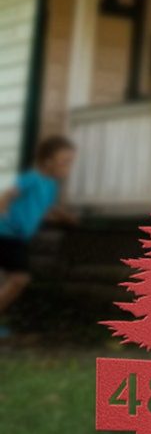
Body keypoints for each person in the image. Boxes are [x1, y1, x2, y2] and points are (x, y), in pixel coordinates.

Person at [0, 136, 77, 331]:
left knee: (16, 279)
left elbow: (47, 208)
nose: (68, 168)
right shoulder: (32, 178)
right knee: (19, 279)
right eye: (65, 162)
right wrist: (2, 209)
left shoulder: (51, 186)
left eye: (70, 162)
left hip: (17, 238)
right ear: (48, 161)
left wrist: (67, 218)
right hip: (6, 233)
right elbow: (8, 194)